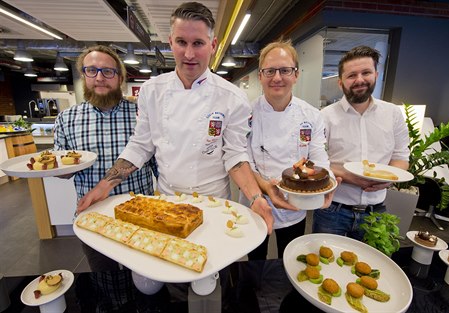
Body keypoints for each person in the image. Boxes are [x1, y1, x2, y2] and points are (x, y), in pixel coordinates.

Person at [76, 2, 274, 233]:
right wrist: (104, 185)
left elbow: (235, 155)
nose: (189, 54)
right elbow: (140, 146)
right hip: (167, 201)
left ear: (212, 45)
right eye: (181, 42)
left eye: (198, 43)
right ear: (171, 42)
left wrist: (255, 197)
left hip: (215, 202)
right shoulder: (152, 91)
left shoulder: (233, 97)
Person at [54, 45, 158, 270]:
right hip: (94, 217)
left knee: (146, 277)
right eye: (92, 70)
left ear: (120, 78)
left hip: (141, 216)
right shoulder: (66, 118)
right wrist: (62, 169)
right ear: (83, 75)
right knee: (104, 279)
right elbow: (62, 171)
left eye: (108, 72)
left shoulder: (141, 113)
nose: (100, 78)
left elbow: (159, 164)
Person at [242, 39, 336, 259]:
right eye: (270, 71)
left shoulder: (311, 115)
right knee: (254, 265)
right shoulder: (246, 113)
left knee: (292, 261)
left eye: (285, 70)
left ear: (296, 75)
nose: (277, 77)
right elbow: (244, 160)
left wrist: (327, 182)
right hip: (256, 201)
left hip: (296, 205)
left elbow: (318, 156)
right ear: (260, 76)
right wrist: (265, 188)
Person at [312, 45, 410, 240]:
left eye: (366, 72)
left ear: (376, 74)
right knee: (324, 264)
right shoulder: (324, 117)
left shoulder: (392, 114)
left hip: (376, 212)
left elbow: (401, 157)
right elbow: (314, 162)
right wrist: (349, 176)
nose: (359, 80)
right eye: (351, 75)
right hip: (332, 210)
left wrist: (388, 179)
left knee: (369, 269)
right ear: (341, 83)